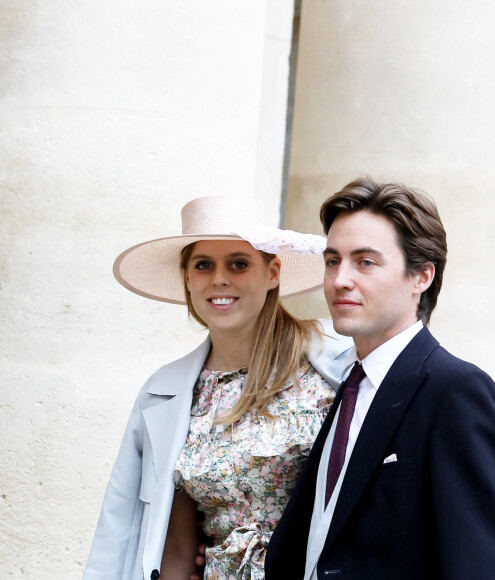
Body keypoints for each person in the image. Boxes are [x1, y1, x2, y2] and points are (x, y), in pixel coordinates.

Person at [83, 195, 352, 580]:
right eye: (203, 265)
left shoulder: (337, 364)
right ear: (187, 278)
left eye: (239, 264)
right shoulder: (166, 392)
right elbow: (148, 531)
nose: (219, 279)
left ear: (273, 271)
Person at [265, 178, 495, 579]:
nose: (340, 279)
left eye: (365, 262)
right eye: (333, 261)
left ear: (422, 277)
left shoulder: (457, 392)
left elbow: (479, 565)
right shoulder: (347, 383)